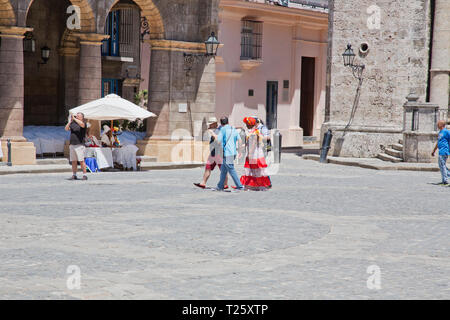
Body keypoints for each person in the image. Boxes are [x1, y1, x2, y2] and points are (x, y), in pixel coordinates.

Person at [194, 117, 229, 189]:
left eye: (210, 124)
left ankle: (225, 184)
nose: (209, 126)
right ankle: (203, 183)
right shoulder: (216, 130)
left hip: (219, 153)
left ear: (214, 124)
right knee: (208, 167)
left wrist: (212, 133)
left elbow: (218, 140)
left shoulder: (219, 130)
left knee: (223, 170)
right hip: (213, 153)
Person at [239, 117, 271, 191]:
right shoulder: (254, 131)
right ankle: (251, 185)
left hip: (254, 154)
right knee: (253, 170)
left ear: (249, 124)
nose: (246, 125)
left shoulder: (253, 133)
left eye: (246, 124)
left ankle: (257, 185)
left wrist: (250, 154)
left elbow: (253, 144)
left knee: (255, 169)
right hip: (256, 152)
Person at [216, 116, 244, 191]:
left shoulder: (222, 129)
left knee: (231, 170)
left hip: (226, 153)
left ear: (221, 123)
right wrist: (240, 152)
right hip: (233, 152)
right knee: (223, 170)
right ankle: (220, 186)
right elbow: (240, 140)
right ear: (228, 122)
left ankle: (240, 186)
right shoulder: (233, 129)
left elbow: (218, 141)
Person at [65, 112, 88, 180]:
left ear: (82, 117)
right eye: (76, 116)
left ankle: (84, 175)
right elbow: (66, 129)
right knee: (73, 161)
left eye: (78, 116)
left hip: (80, 145)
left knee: (81, 160)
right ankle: (74, 174)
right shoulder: (73, 123)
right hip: (72, 144)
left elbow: (82, 125)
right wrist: (69, 122)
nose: (77, 117)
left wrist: (74, 118)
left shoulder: (83, 123)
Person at [431, 120, 450, 186]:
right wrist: (434, 150)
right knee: (442, 165)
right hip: (441, 151)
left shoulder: (447, 132)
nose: (437, 125)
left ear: (441, 125)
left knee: (442, 165)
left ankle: (445, 181)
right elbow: (438, 142)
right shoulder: (440, 132)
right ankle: (444, 179)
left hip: (444, 151)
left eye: (438, 124)